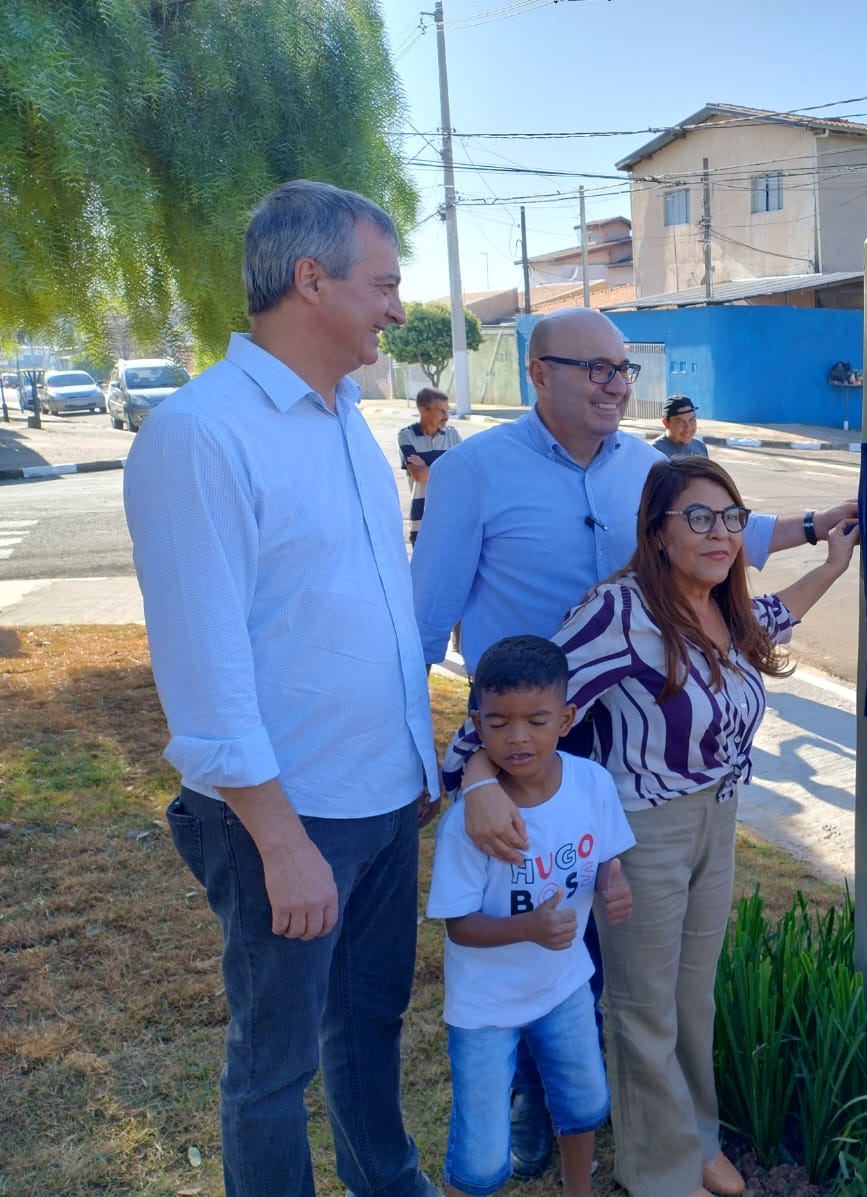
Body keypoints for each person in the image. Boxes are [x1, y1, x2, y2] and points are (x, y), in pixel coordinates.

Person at [411, 305, 854, 1177]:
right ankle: (564, 1115)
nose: (617, 384)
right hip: (533, 761)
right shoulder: (476, 471)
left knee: (660, 987)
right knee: (547, 955)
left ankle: (674, 1135)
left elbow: (738, 554)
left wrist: (826, 537)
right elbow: (426, 624)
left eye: (625, 370)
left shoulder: (649, 471)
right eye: (597, 368)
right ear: (540, 371)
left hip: (642, 781)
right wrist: (471, 776)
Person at [123, 181, 441, 1197]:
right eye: (384, 283)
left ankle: (384, 1181)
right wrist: (282, 840)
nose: (399, 307)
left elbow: (363, 605)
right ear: (313, 279)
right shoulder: (201, 433)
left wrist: (416, 761)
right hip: (288, 818)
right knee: (274, 1065)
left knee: (371, 1023)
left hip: (386, 795)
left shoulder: (350, 416)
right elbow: (203, 672)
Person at [427, 636, 634, 1197]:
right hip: (485, 1009)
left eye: (537, 720)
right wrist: (529, 928)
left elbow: (607, 855)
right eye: (498, 723)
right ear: (477, 723)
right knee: (481, 1154)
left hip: (564, 985)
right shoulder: (472, 826)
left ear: (566, 718)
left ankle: (577, 1189)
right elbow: (459, 926)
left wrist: (616, 885)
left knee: (585, 1102)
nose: (517, 737)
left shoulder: (590, 784)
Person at [399, 386, 462, 543]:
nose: (446, 416)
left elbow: (462, 472)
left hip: (451, 519)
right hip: (422, 522)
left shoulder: (452, 435)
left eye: (447, 411)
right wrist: (446, 467)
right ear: (423, 410)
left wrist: (428, 467)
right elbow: (419, 475)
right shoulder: (406, 436)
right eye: (441, 411)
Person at [653, 395, 709, 459]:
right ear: (666, 423)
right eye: (680, 422)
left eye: (691, 420)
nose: (688, 428)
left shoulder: (700, 446)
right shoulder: (654, 452)